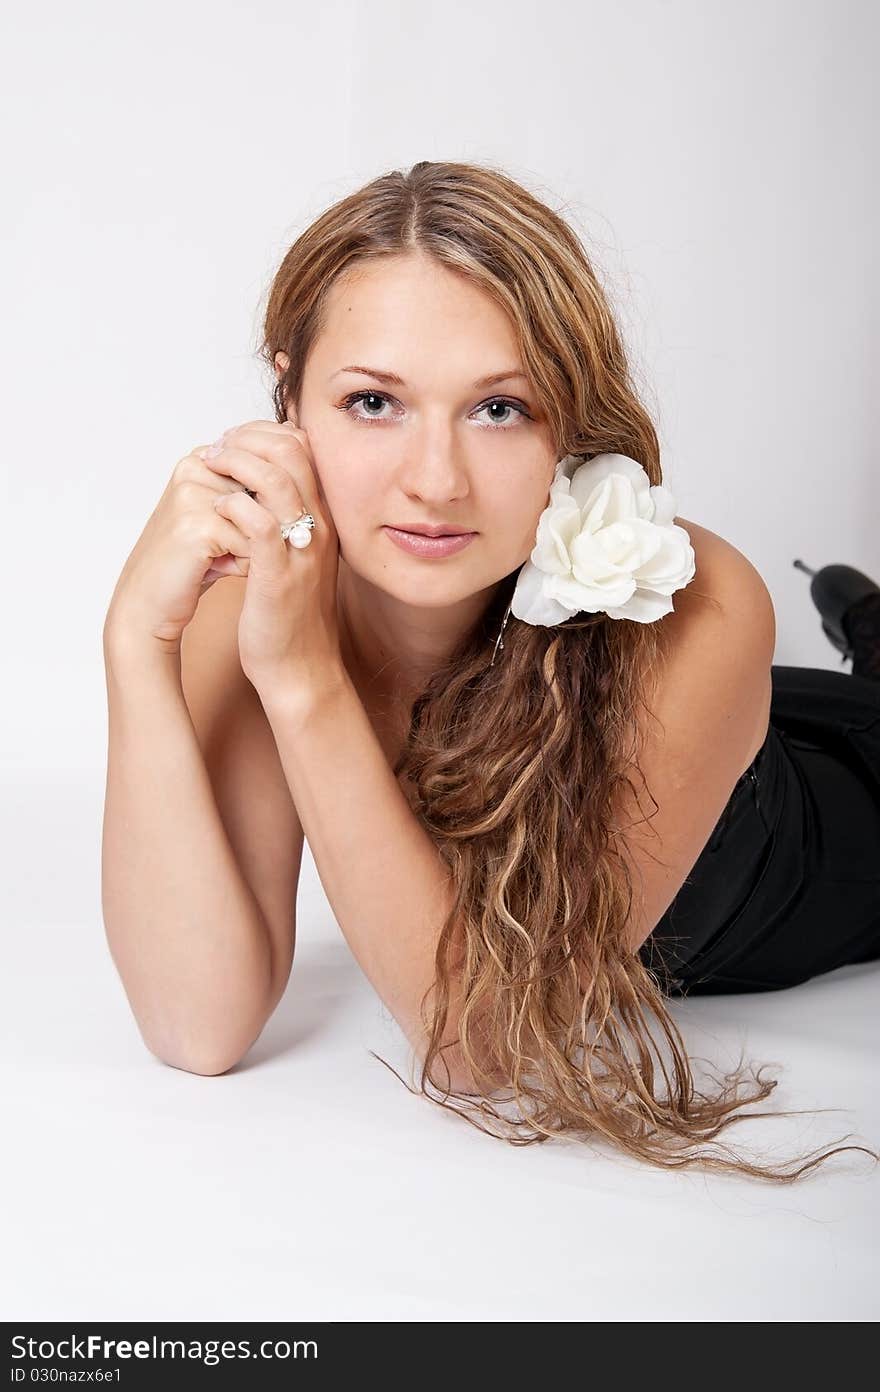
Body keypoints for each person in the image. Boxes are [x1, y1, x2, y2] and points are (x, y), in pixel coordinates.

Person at [101, 159, 879, 1184]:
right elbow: (195, 1027)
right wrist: (135, 649)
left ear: (571, 417)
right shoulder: (255, 589)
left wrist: (302, 682)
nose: (434, 481)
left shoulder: (703, 599)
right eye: (373, 401)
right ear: (289, 394)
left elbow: (485, 1048)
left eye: (499, 409)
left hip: (834, 816)